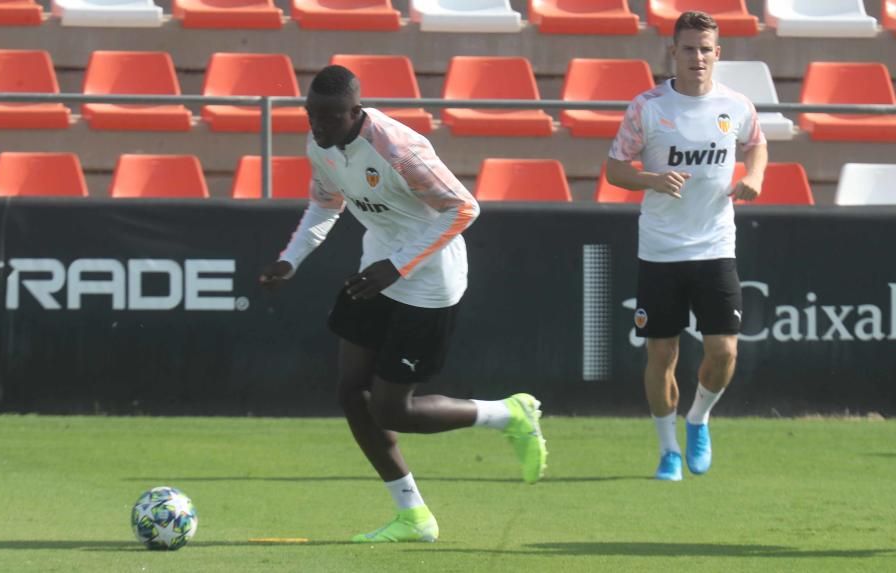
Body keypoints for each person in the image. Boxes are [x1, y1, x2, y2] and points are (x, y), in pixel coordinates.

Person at [259, 65, 548, 542]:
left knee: (393, 410)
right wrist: (291, 260)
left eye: (329, 118)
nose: (317, 126)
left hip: (428, 285)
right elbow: (325, 203)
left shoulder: (399, 148)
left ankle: (509, 414)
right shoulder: (321, 145)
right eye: (311, 115)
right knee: (351, 392)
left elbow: (464, 208)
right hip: (376, 274)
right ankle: (412, 515)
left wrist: (398, 264)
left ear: (356, 112)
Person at [605, 11, 767, 481]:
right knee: (661, 355)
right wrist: (651, 179)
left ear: (718, 54)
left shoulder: (735, 105)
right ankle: (668, 450)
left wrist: (754, 174)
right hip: (661, 249)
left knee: (724, 351)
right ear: (673, 52)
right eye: (689, 48)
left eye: (705, 49)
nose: (697, 57)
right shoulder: (648, 106)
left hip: (716, 244)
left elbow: (756, 144)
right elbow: (615, 168)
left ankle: (698, 418)